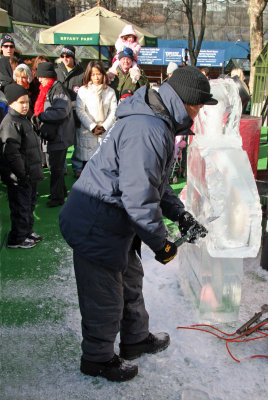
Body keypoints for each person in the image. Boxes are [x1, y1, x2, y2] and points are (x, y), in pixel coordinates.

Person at [59, 66, 217, 382]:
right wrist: (162, 245)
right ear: (187, 102)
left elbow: (153, 183)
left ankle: (134, 339)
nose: (200, 112)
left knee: (131, 282)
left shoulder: (157, 121)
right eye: (199, 105)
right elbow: (139, 198)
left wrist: (180, 216)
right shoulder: (148, 130)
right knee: (105, 298)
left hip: (116, 223)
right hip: (96, 224)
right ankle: (97, 359)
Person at [0, 84, 44, 248]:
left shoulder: (23, 119)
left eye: (27, 102)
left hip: (29, 174)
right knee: (20, 207)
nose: (25, 105)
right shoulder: (10, 123)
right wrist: (21, 174)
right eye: (21, 102)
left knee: (29, 204)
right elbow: (12, 153)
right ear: (11, 103)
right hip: (19, 176)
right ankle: (17, 238)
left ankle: (26, 231)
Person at [34, 62, 75, 207]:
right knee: (55, 167)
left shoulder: (57, 89)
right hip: (55, 136)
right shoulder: (50, 88)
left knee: (55, 168)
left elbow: (60, 112)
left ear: (48, 76)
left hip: (59, 136)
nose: (39, 80)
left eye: (41, 77)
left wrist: (41, 116)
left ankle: (57, 198)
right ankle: (61, 192)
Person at [75, 60, 117, 165]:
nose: (96, 78)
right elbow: (80, 110)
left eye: (98, 74)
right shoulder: (83, 90)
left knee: (103, 166)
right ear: (89, 75)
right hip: (88, 131)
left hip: (104, 132)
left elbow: (114, 111)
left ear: (103, 74)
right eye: (93, 75)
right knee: (88, 167)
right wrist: (92, 126)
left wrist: (104, 126)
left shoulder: (110, 92)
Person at [55, 45, 84, 178]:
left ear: (73, 57)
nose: (65, 58)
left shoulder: (81, 73)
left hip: (76, 111)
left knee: (78, 141)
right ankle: (62, 166)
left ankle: (77, 167)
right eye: (63, 56)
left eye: (68, 56)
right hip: (61, 112)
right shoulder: (57, 71)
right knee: (62, 141)